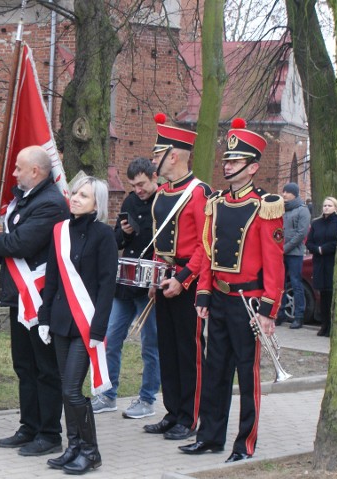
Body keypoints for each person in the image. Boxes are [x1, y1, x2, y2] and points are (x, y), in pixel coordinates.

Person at [183, 118, 285, 463]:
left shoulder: (265, 206)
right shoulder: (216, 202)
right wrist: (203, 295)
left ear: (253, 167)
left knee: (247, 373)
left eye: (235, 161)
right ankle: (210, 437)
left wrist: (268, 310)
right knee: (215, 371)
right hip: (222, 298)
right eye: (226, 160)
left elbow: (274, 264)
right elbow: (209, 252)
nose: (227, 165)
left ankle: (245, 443)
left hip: (249, 302)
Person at [0, 145, 69, 457]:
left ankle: (49, 433)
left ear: (36, 171)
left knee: (45, 368)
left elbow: (22, 242)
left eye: (19, 168)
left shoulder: (52, 203)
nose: (14, 173)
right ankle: (29, 426)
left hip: (41, 298)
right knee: (24, 365)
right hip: (20, 297)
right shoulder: (25, 198)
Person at [38, 176, 118, 474]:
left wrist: (99, 328)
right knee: (64, 388)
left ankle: (91, 451)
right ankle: (73, 446)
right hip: (60, 321)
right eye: (74, 193)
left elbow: (107, 284)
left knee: (72, 389)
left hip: (86, 325)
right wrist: (44, 318)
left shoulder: (103, 235)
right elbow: (52, 279)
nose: (75, 198)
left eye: (83, 196)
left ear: (97, 204)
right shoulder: (60, 231)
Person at [145, 113, 211, 440]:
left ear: (173, 156)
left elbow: (205, 243)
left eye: (158, 155)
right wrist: (156, 276)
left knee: (189, 352)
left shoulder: (199, 192)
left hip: (189, 280)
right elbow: (159, 240)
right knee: (167, 349)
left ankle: (191, 415)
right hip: (165, 277)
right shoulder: (162, 192)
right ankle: (173, 411)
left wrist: (183, 278)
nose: (154, 160)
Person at [91, 158, 161, 419]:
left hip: (151, 285)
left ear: (155, 177)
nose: (138, 190)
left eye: (142, 184)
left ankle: (147, 398)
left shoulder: (164, 201)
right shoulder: (131, 201)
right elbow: (117, 240)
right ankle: (108, 395)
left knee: (150, 345)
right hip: (126, 284)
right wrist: (125, 232)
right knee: (111, 338)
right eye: (133, 185)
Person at [306, 196, 337, 337]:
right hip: (319, 263)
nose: (326, 208)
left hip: (331, 261)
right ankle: (324, 325)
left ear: (335, 208)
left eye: (329, 205)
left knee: (332, 294)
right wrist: (316, 249)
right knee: (323, 294)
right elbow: (309, 242)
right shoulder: (316, 223)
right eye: (325, 205)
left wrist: (323, 249)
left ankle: (332, 326)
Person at [278, 182, 310, 329]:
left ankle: (299, 316)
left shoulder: (302, 210)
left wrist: (285, 248)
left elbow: (301, 233)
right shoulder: (282, 209)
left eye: (287, 192)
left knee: (296, 284)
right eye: (283, 192)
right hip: (281, 252)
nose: (284, 194)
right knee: (280, 284)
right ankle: (280, 313)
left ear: (294, 194)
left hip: (294, 253)